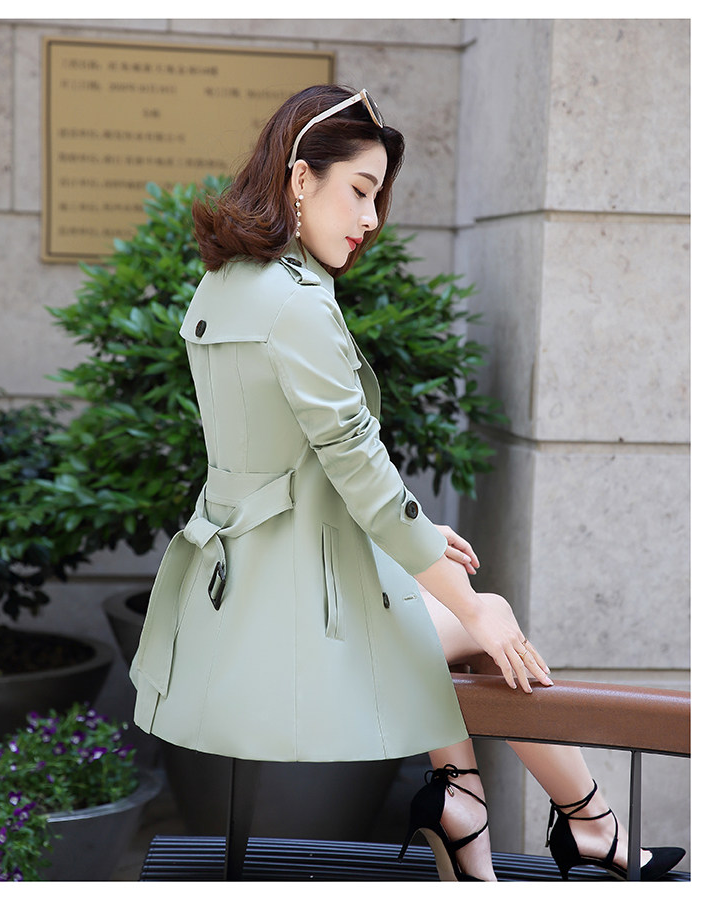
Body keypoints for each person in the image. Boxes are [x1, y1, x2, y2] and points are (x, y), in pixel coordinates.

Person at [129, 84, 684, 882]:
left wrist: (418, 545)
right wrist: (464, 600)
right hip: (283, 618)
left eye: (378, 198)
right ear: (300, 178)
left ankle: (471, 807)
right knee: (488, 618)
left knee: (445, 592)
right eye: (359, 190)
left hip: (232, 591)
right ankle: (584, 822)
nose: (371, 218)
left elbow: (291, 471)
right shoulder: (296, 306)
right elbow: (359, 473)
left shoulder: (226, 283)